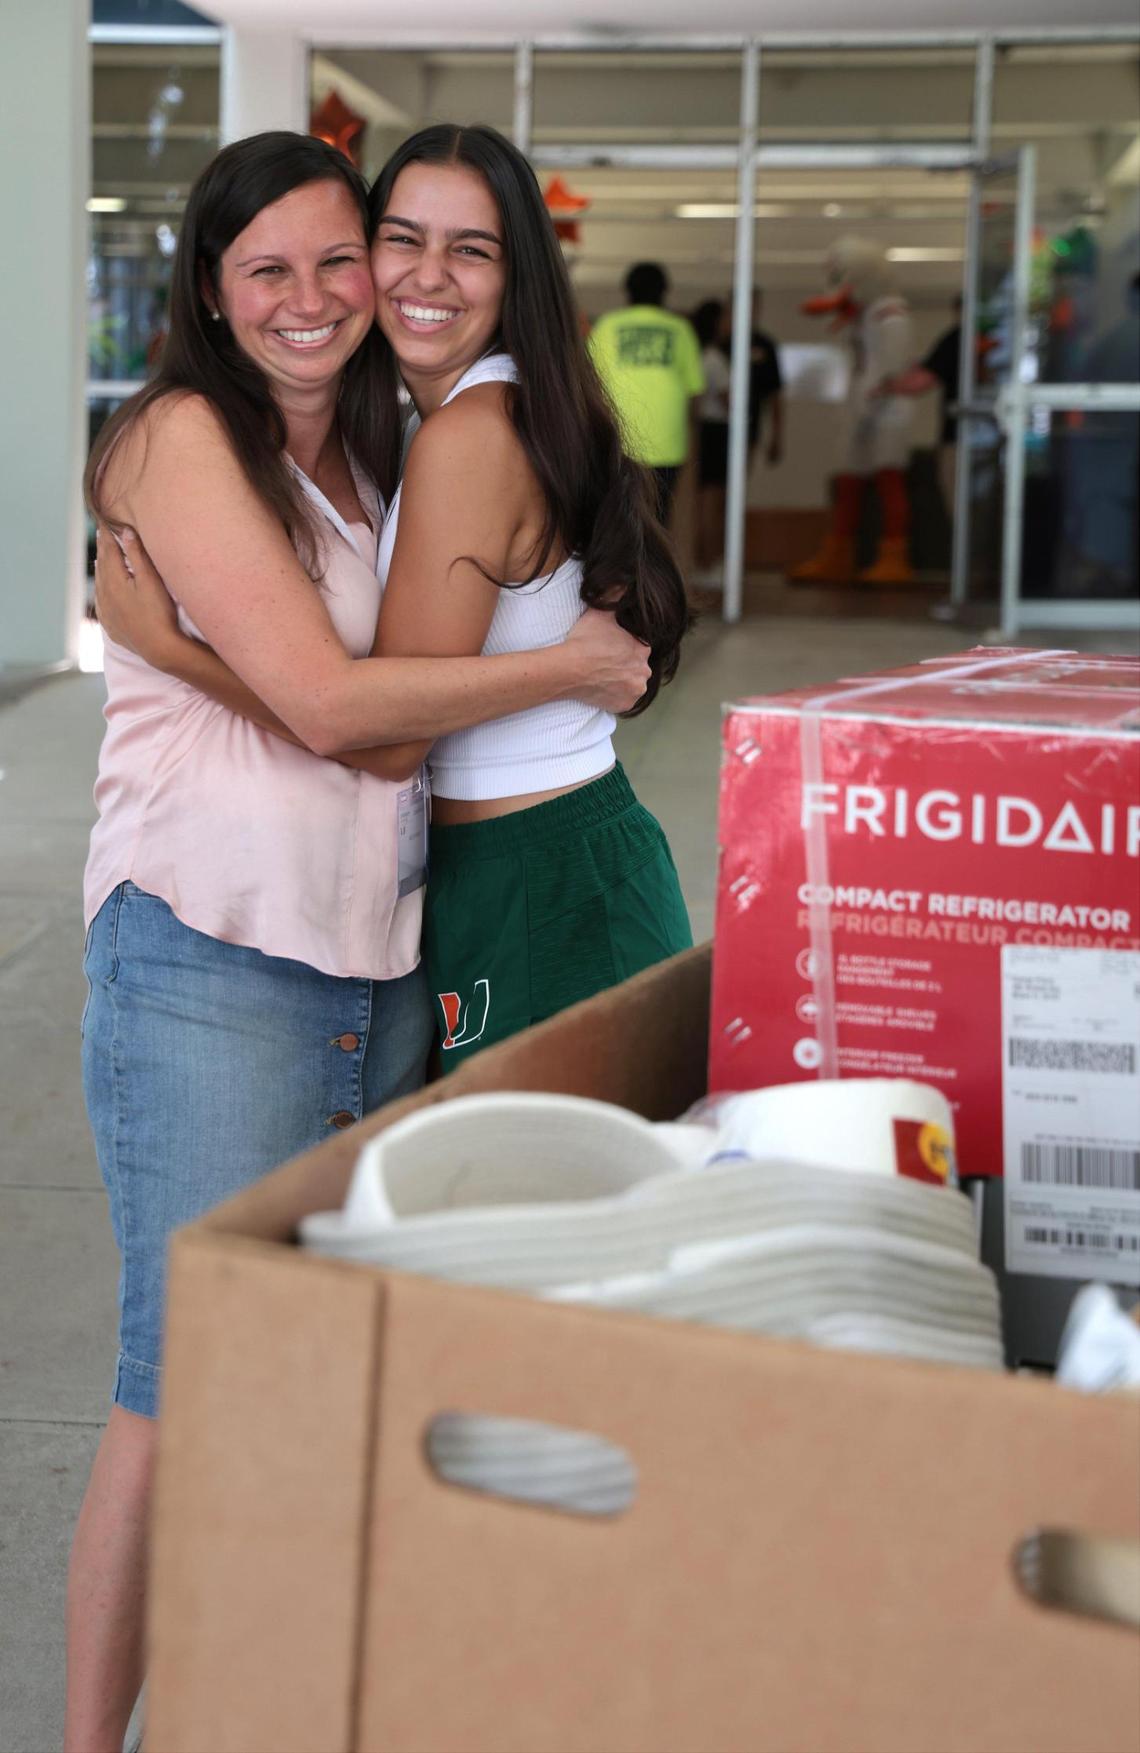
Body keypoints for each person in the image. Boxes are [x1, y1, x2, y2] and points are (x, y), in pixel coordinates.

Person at [67, 130, 649, 1753]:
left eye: (356, 255)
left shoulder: (387, 444)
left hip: (384, 953)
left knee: (346, 1357)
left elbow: (372, 714)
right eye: (294, 264)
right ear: (210, 288)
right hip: (217, 959)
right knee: (175, 1380)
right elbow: (349, 713)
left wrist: (175, 641)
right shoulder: (196, 434)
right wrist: (158, 638)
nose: (347, 290)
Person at [96, 122, 694, 1075]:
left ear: (516, 276)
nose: (429, 276)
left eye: (472, 249)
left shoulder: (468, 433)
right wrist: (568, 670)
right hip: (511, 867)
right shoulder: (442, 424)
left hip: (539, 869)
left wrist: (170, 651)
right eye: (401, 239)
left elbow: (382, 738)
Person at [587, 261, 705, 525]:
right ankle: (653, 566)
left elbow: (590, 384)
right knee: (659, 519)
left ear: (627, 291)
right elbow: (695, 391)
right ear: (665, 291)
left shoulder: (607, 325)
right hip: (668, 443)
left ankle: (621, 567)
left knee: (618, 518)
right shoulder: (680, 330)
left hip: (619, 440)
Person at [881, 293, 962, 522]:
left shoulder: (958, 338)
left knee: (962, 513)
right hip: (990, 439)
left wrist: (881, 386)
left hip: (959, 440)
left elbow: (919, 382)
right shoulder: (998, 338)